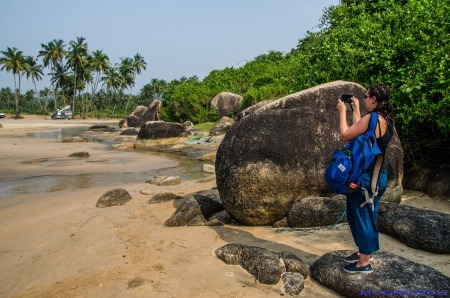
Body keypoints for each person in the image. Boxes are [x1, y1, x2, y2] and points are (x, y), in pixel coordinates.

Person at [336, 84, 395, 274]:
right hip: (378, 175)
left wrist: (342, 111)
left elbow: (346, 134)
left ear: (374, 99)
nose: (364, 98)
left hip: (367, 178)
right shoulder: (386, 119)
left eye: (366, 96)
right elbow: (362, 131)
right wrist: (357, 110)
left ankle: (364, 263)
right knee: (368, 215)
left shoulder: (373, 118)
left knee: (363, 217)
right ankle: (364, 252)